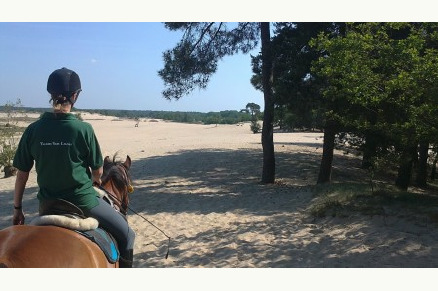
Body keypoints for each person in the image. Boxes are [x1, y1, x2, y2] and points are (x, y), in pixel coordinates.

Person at [12, 67, 135, 268]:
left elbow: (21, 176)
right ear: (75, 96)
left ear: (50, 95)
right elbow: (98, 172)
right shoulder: (83, 129)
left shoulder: (33, 130)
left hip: (47, 205)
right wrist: (95, 178)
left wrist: (17, 209)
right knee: (128, 235)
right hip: (84, 202)